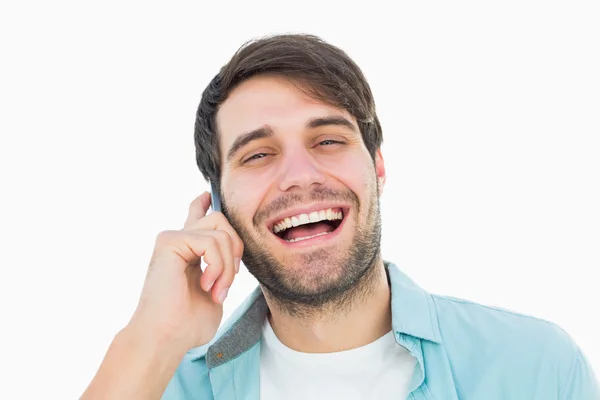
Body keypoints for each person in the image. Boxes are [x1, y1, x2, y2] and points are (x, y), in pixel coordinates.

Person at [81, 34, 599, 400]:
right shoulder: (157, 387)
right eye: (258, 155)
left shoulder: (536, 369)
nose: (299, 176)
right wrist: (153, 336)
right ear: (216, 204)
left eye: (328, 140)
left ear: (377, 166)